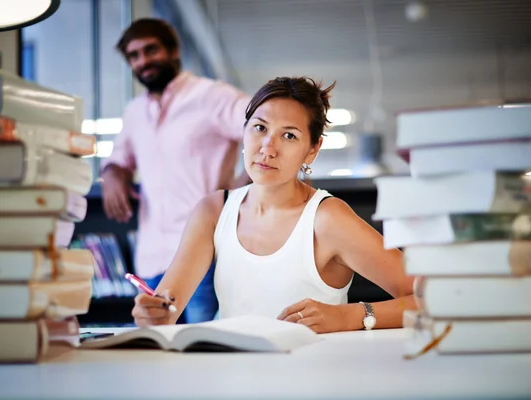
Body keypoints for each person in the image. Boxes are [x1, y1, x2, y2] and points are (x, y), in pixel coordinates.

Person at [131, 76, 417, 333]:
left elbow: (433, 298)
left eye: (289, 135)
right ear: (243, 132)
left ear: (312, 150)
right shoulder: (213, 211)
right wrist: (152, 313)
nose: (267, 147)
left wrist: (351, 316)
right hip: (232, 383)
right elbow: (166, 307)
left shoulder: (327, 219)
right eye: (259, 128)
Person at [100, 18, 251, 324]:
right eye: (134, 56)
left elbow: (265, 128)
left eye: (150, 50)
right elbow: (119, 159)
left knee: (203, 351)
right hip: (151, 257)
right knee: (156, 351)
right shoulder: (134, 112)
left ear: (172, 51)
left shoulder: (212, 96)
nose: (143, 61)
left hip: (203, 252)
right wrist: (113, 175)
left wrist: (241, 190)